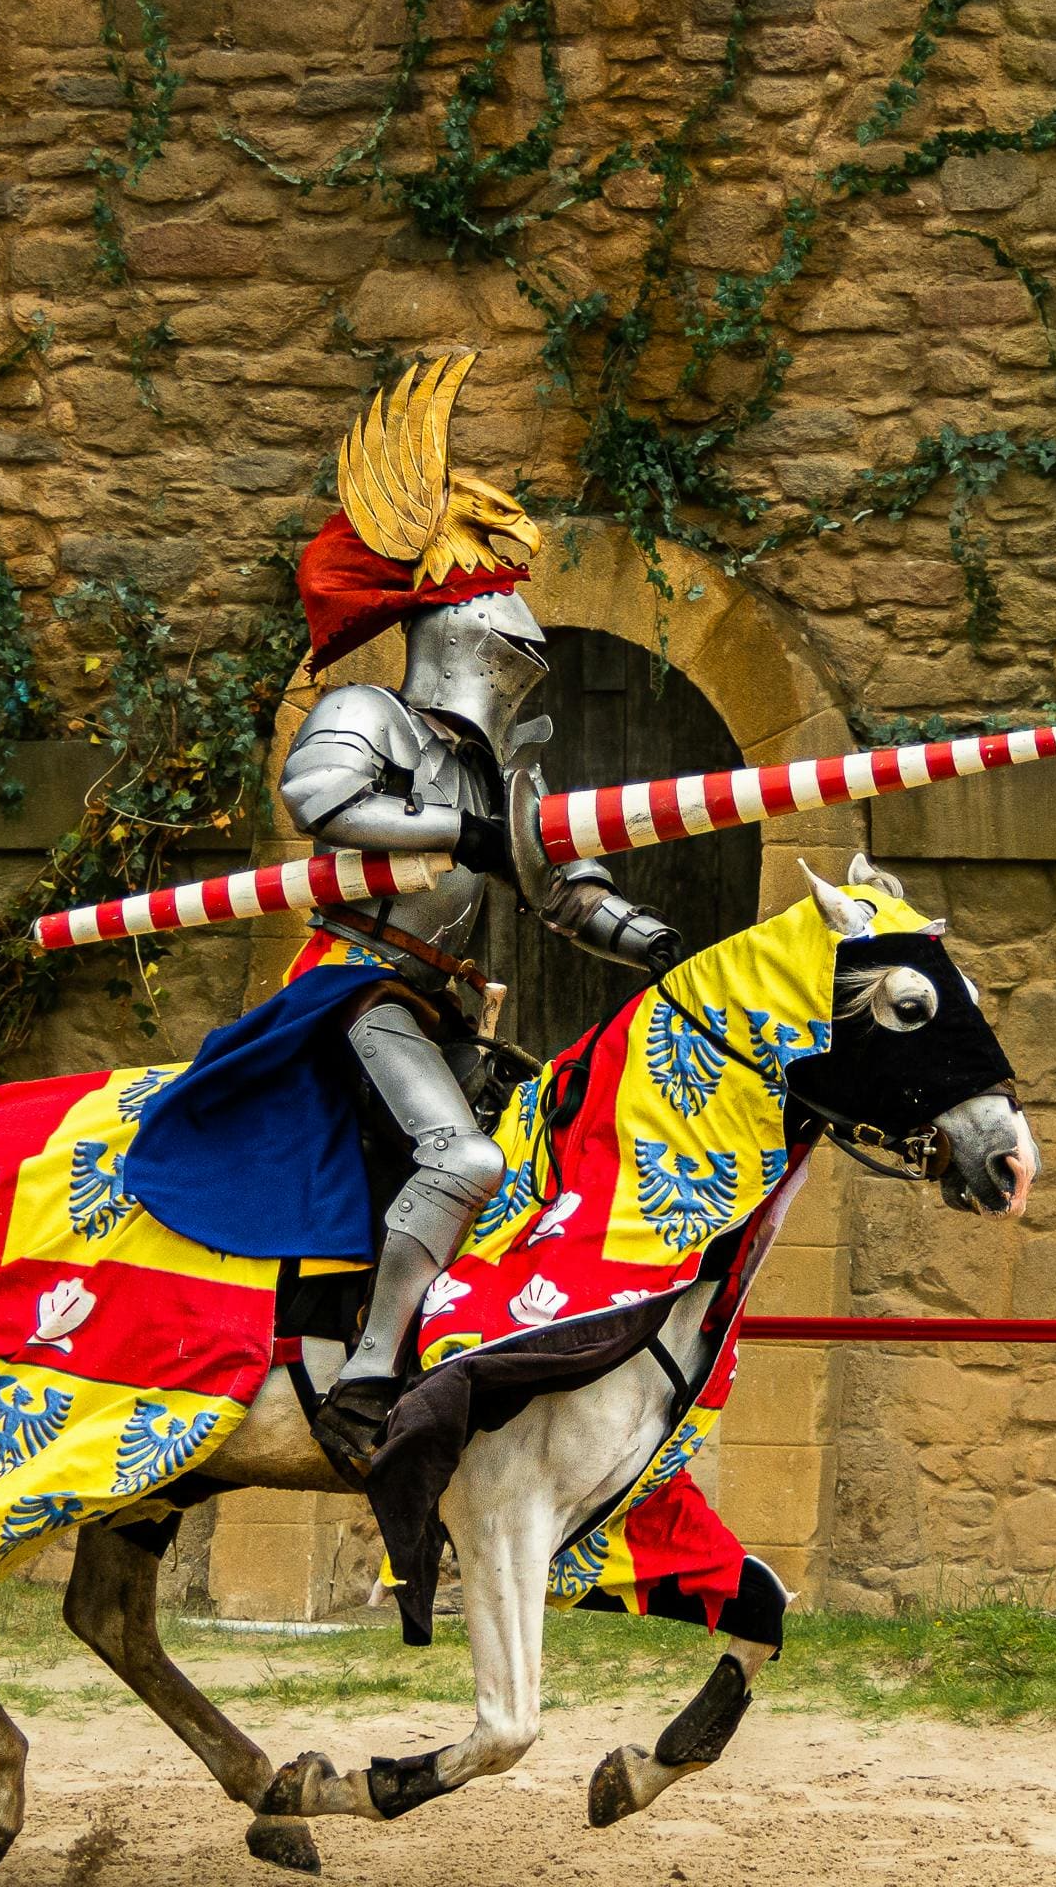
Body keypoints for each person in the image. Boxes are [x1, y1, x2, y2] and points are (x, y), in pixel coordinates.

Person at [271, 352, 682, 1475]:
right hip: (358, 986)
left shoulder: (499, 765)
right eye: (508, 629)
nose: (523, 650)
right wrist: (463, 833)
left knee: (541, 1164)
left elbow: (560, 880)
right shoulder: (371, 712)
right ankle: (365, 1379)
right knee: (466, 1160)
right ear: (460, 626)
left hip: (446, 1006)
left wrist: (645, 938)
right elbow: (319, 799)